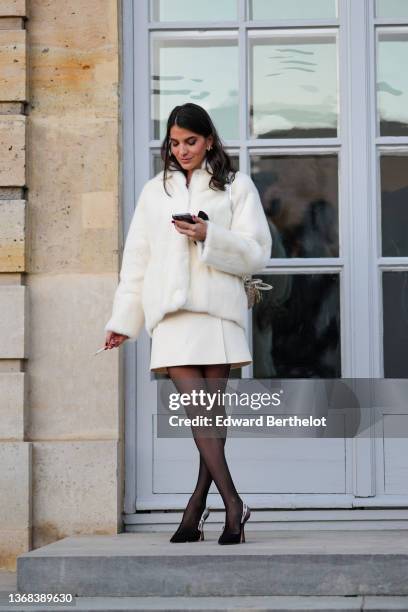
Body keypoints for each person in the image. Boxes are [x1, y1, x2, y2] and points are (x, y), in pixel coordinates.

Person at [104, 102, 272, 545]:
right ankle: (234, 503)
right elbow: (137, 261)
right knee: (201, 414)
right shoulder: (152, 191)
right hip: (173, 320)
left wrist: (209, 237)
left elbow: (257, 252)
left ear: (209, 140)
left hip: (218, 316)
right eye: (175, 143)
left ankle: (195, 508)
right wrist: (125, 319)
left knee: (210, 420)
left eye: (191, 141)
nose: (182, 150)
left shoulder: (237, 187)